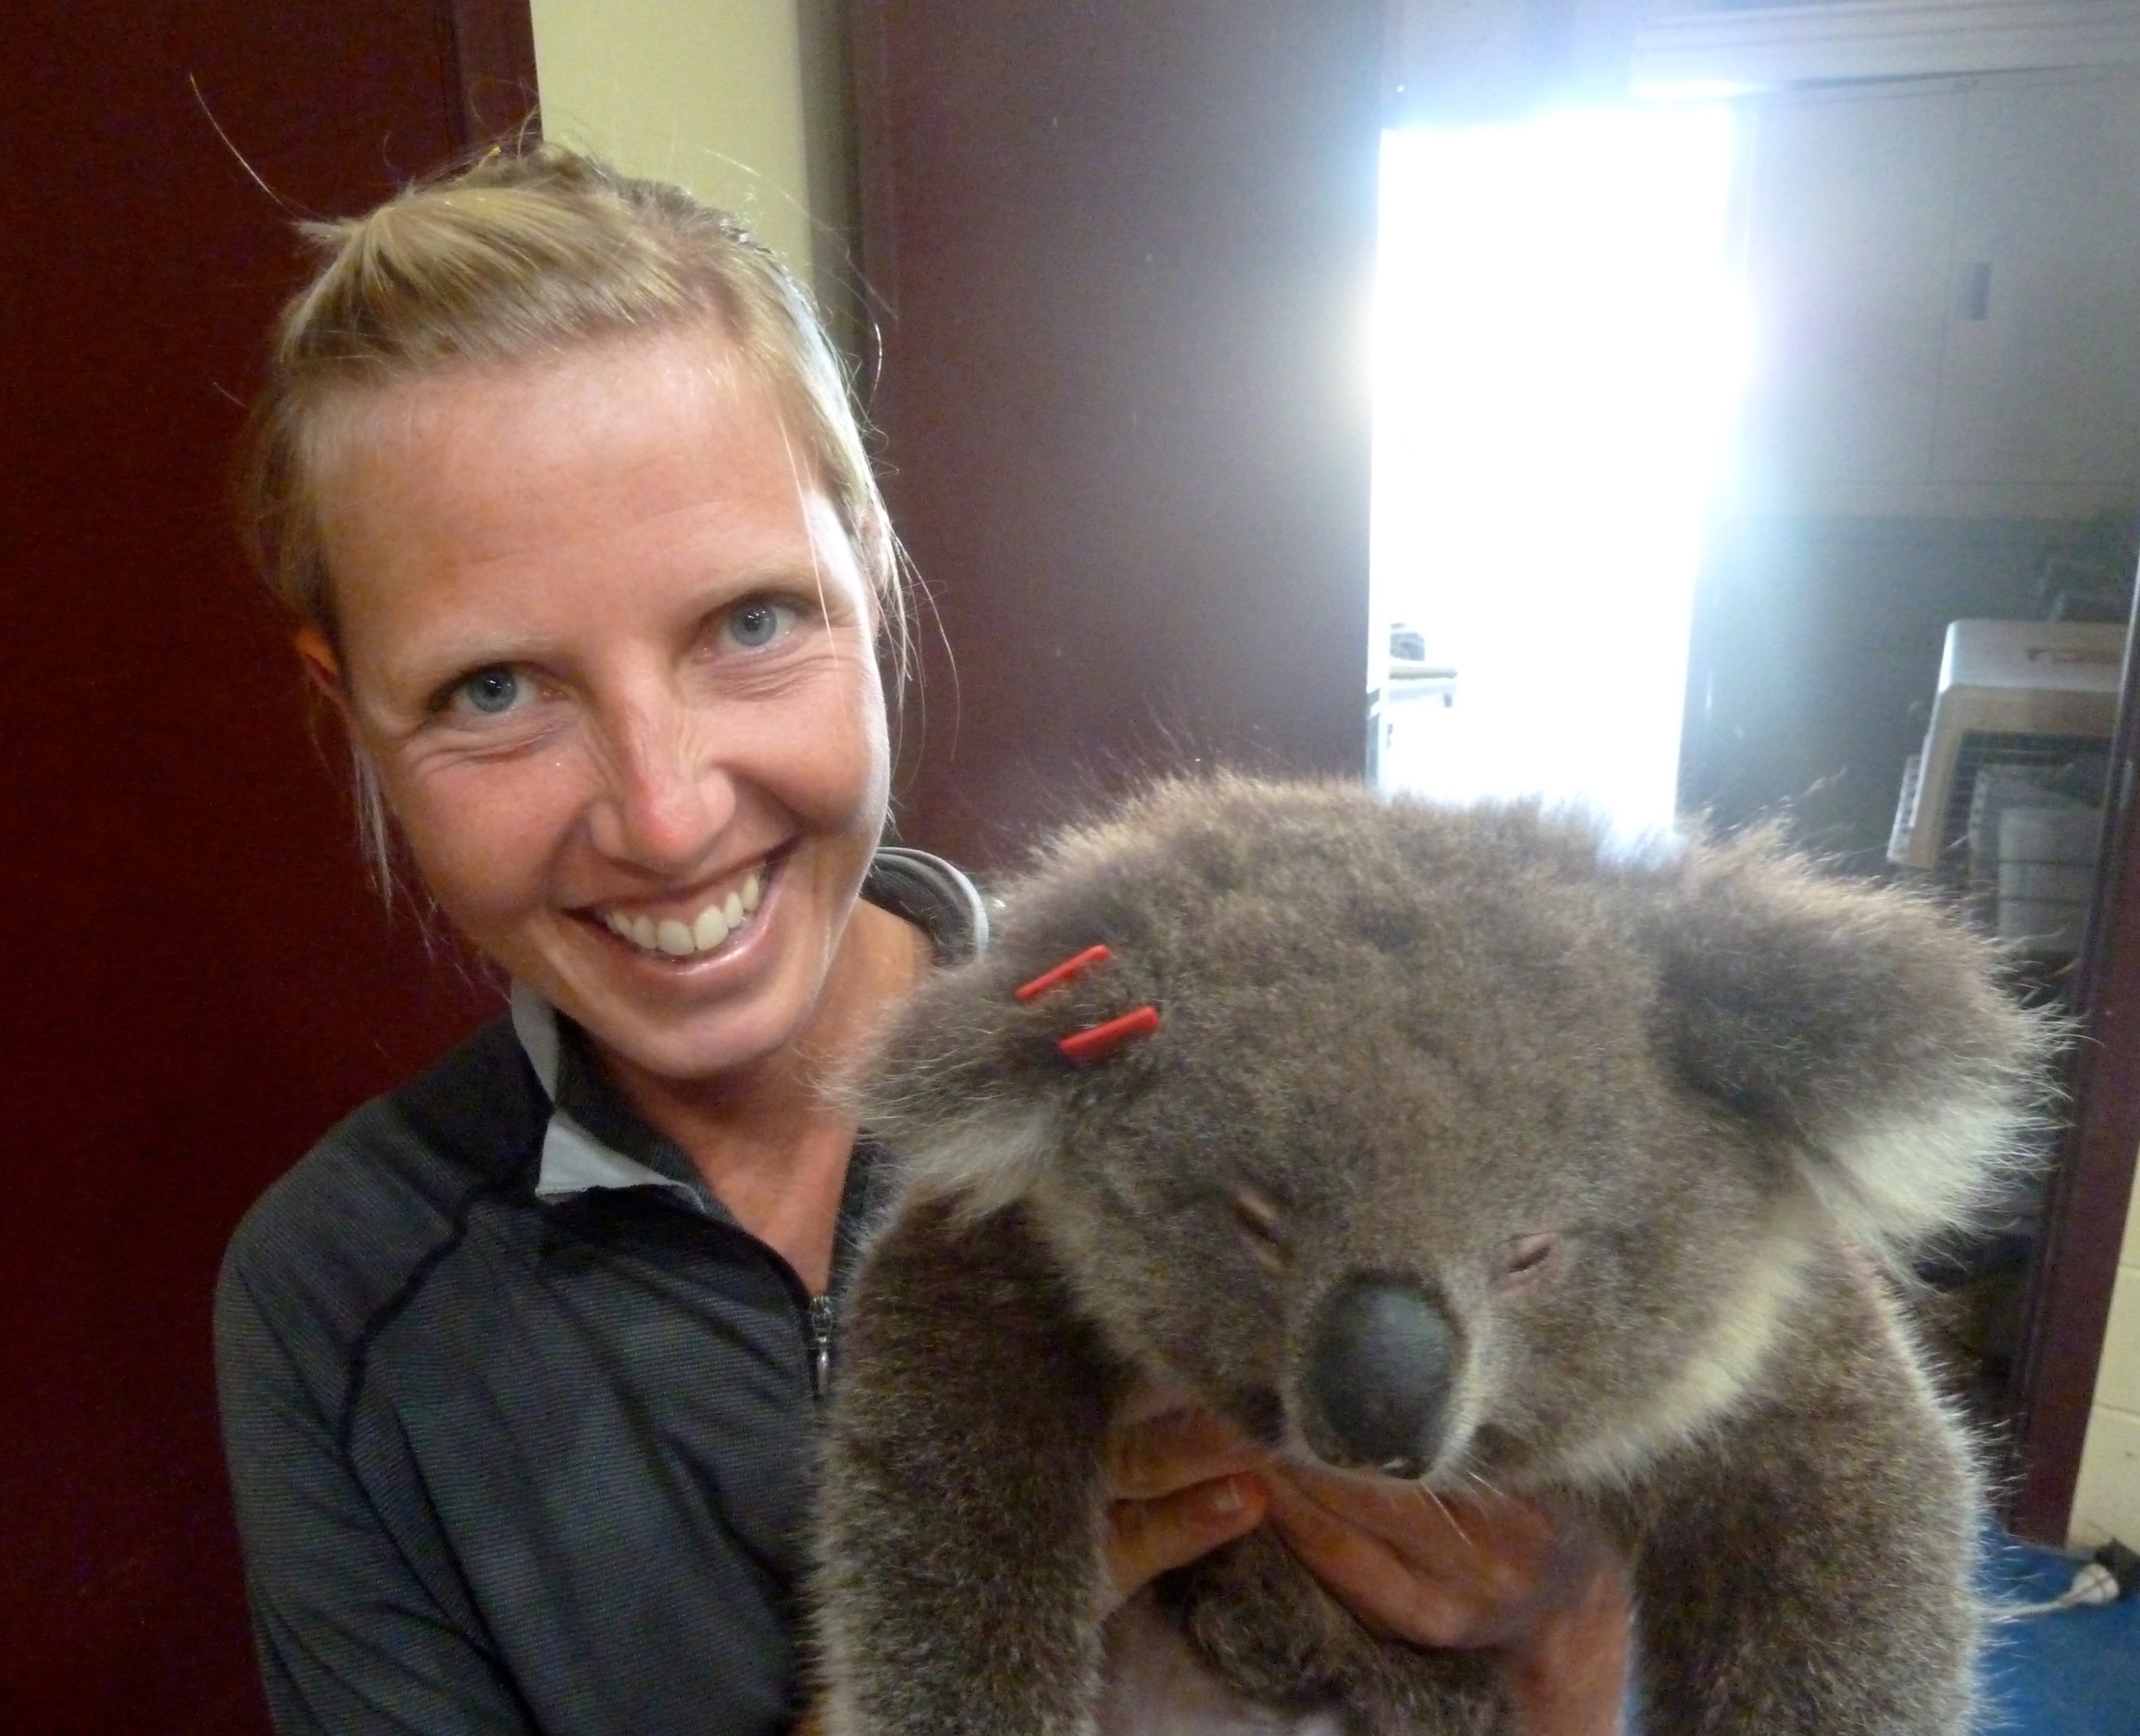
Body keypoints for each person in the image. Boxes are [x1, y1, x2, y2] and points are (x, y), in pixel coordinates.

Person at [213, 142, 1632, 1736]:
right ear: (352, 707)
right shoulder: (345, 1309)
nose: (665, 818)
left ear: (874, 567)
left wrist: (1568, 1646)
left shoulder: (1214, 1086)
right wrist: (938, 1662)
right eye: (493, 691)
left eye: (751, 623)